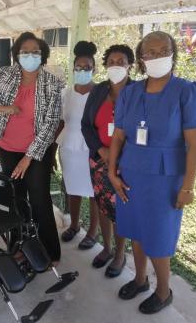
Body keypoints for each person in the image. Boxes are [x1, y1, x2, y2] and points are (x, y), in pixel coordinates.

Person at [108, 31, 196, 314]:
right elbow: (118, 137)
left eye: (163, 49)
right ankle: (139, 280)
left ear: (173, 53)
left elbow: (195, 144)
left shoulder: (186, 91)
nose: (156, 56)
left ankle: (163, 292)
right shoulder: (130, 92)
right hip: (130, 175)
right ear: (141, 58)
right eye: (149, 52)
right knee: (136, 232)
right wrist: (113, 173)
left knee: (158, 238)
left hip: (165, 180)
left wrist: (188, 187)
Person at [0, 32, 64, 263]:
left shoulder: (51, 83)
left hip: (36, 152)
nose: (30, 56)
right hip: (7, 147)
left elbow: (51, 124)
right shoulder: (5, 75)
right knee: (15, 199)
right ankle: (19, 246)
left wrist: (28, 158)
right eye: (25, 51)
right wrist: (2, 109)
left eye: (35, 52)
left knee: (40, 200)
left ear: (42, 55)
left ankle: (50, 251)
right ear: (16, 54)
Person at [81, 45, 134, 277]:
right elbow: (86, 124)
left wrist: (121, 155)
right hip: (99, 159)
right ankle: (107, 247)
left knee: (121, 207)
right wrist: (100, 149)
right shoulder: (99, 91)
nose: (116, 65)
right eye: (111, 61)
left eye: (121, 61)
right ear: (105, 65)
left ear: (130, 65)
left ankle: (120, 253)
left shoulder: (138, 91)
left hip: (126, 162)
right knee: (102, 204)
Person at [55, 41, 98, 251]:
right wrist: (53, 148)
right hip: (69, 147)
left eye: (87, 67)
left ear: (94, 69)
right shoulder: (65, 94)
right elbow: (60, 122)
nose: (82, 71)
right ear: (73, 69)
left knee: (93, 192)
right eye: (78, 68)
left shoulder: (101, 93)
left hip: (92, 149)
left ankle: (92, 232)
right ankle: (74, 225)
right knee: (73, 188)